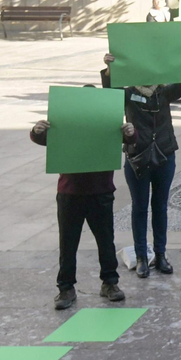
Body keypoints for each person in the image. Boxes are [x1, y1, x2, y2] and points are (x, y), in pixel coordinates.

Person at [30, 83, 135, 310]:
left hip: (101, 191)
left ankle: (110, 283)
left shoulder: (106, 122)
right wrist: (38, 131)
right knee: (68, 243)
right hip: (70, 192)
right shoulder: (66, 122)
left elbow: (129, 139)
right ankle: (66, 288)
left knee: (105, 241)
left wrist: (129, 132)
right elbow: (45, 139)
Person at [100, 53, 181, 279]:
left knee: (160, 206)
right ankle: (141, 256)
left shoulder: (164, 92)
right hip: (137, 158)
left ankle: (160, 254)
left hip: (164, 156)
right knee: (140, 207)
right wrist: (110, 68)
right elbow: (109, 93)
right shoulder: (129, 94)